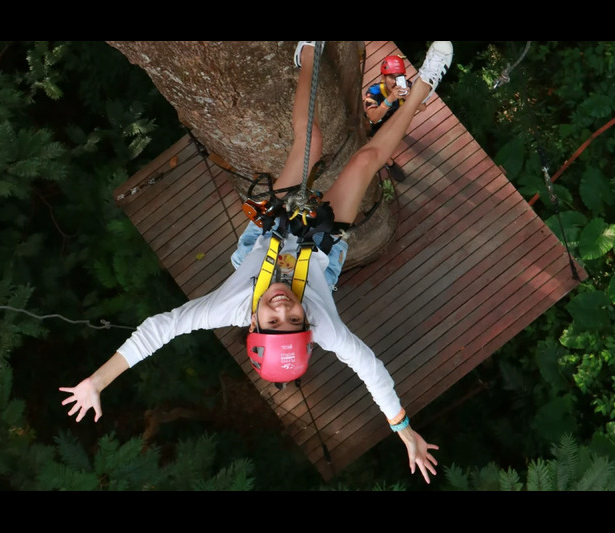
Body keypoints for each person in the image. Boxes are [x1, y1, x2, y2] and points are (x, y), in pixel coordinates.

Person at [60, 40, 454, 484]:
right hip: (319, 249)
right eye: (294, 321)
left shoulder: (224, 307)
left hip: (270, 237)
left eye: (274, 320)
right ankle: (426, 84)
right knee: (364, 160)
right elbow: (371, 372)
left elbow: (160, 329)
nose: (285, 308)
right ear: (309, 327)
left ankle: (307, 53)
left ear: (253, 325)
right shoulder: (325, 327)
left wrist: (98, 381)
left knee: (310, 142)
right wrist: (403, 431)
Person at [363, 54, 431, 183]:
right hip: (377, 126)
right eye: (391, 77)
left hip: (397, 121)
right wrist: (390, 99)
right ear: (383, 77)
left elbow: (423, 108)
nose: (395, 82)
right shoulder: (374, 92)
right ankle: (389, 163)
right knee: (379, 147)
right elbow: (373, 118)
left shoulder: (407, 87)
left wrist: (410, 97)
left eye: (399, 77)